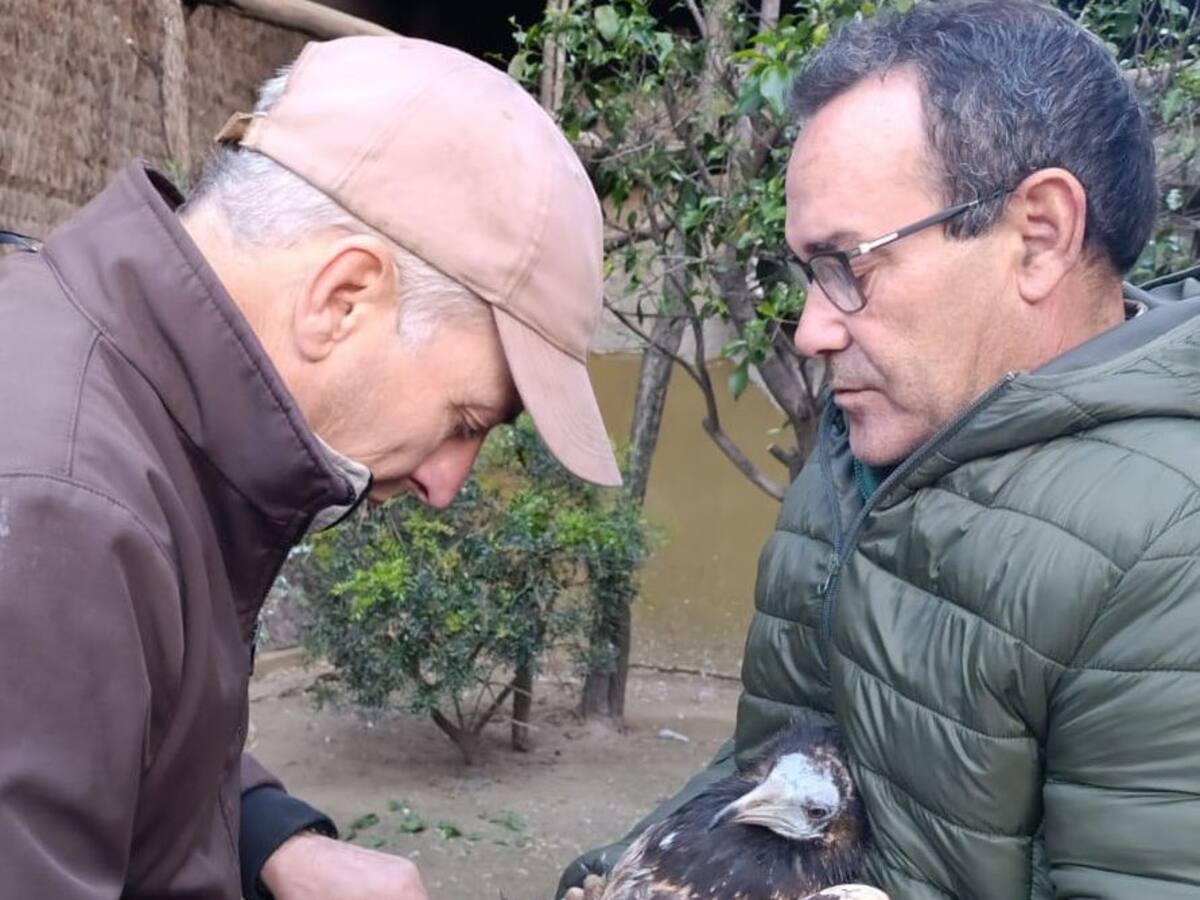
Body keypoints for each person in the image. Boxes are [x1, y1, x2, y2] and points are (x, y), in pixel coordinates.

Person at [561, 1, 1200, 897]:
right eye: (807, 273)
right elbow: (768, 781)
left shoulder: (1172, 542)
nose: (813, 330)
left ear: (1040, 235)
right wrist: (619, 877)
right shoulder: (861, 454)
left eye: (850, 264)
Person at [0, 34, 621, 900]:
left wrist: (268, 840)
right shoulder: (58, 512)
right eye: (466, 421)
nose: (448, 484)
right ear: (342, 299)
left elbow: (120, 725)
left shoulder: (137, 412)